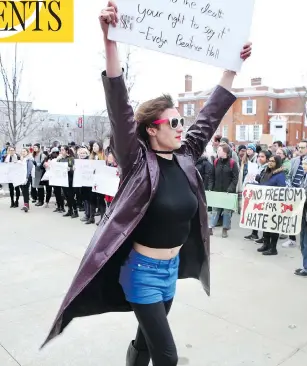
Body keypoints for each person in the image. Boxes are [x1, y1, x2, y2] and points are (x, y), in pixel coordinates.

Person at [42, 3, 252, 366]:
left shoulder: (186, 156)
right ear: (152, 130)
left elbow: (211, 115)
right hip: (141, 273)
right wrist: (110, 43)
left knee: (144, 343)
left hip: (170, 272)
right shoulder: (138, 162)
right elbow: (120, 107)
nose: (180, 127)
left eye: (180, 122)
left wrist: (231, 69)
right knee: (167, 357)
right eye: (172, 123)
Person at [255, 155, 286, 255]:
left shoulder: (280, 175)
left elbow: (281, 188)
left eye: (273, 161)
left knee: (273, 227)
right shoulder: (267, 172)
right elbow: (264, 185)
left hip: (274, 205)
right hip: (265, 203)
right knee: (265, 225)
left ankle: (273, 248)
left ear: (277, 163)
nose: (270, 163)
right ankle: (266, 244)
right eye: (270, 161)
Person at [208, 143, 239, 238]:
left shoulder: (232, 163)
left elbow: (235, 178)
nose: (217, 151)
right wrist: (210, 187)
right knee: (215, 211)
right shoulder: (216, 162)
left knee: (226, 212)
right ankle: (210, 228)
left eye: (219, 150)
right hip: (217, 191)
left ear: (225, 152)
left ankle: (225, 229)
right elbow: (211, 176)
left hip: (228, 192)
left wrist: (230, 189)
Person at [19, 147, 34, 212]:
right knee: (23, 190)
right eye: (22, 151)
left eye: (24, 151)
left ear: (27, 152)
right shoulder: (21, 159)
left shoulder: (29, 160)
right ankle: (26, 204)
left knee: (25, 191)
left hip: (27, 178)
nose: (23, 152)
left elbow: (29, 170)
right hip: (21, 177)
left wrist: (27, 178)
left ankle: (26, 205)